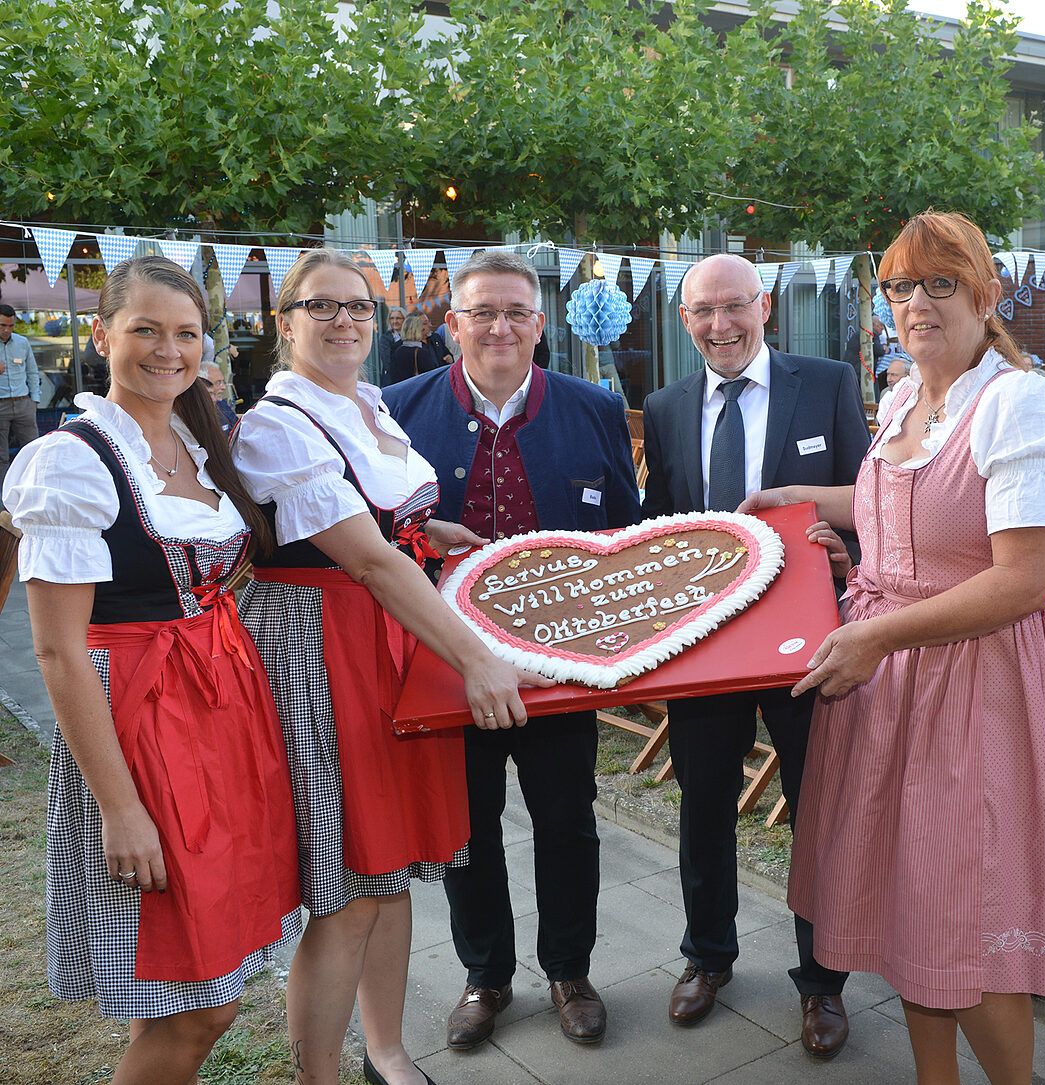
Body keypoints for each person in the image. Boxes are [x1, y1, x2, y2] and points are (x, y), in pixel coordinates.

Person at [747, 211, 1045, 1083]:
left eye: (940, 283)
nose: (916, 303)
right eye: (901, 286)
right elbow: (901, 523)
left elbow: (1025, 578)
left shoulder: (1017, 401)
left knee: (959, 921)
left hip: (968, 682)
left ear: (984, 292)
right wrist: (810, 507)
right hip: (888, 677)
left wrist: (875, 631)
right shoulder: (905, 394)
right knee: (908, 916)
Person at [233, 249, 547, 1085]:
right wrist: (479, 661)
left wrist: (431, 532)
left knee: (396, 870)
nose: (343, 322)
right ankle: (318, 1078)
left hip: (389, 641)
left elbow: (381, 534)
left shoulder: (366, 404)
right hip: (330, 653)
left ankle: (387, 1051)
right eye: (322, 306)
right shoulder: (277, 423)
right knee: (346, 891)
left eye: (359, 308)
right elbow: (365, 561)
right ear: (285, 320)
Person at [5, 256, 301, 1085]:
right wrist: (119, 808)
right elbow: (60, 649)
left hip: (222, 709)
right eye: (144, 329)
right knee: (203, 1005)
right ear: (101, 335)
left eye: (185, 332)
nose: (166, 350)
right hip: (142, 724)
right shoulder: (72, 461)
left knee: (180, 982)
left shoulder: (198, 443)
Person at [384, 249, 640, 1050]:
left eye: (515, 313)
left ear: (540, 325)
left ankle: (569, 968)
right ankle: (484, 975)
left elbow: (626, 541)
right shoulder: (394, 410)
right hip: (446, 662)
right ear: (452, 323)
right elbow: (375, 536)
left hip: (562, 667)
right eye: (481, 312)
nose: (499, 326)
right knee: (467, 826)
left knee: (568, 818)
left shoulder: (594, 408)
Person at [640, 252, 870, 1056]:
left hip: (811, 643)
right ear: (684, 319)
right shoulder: (666, 405)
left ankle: (823, 981)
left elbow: (870, 502)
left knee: (819, 807)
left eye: (734, 306)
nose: (720, 325)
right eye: (703, 311)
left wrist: (849, 552)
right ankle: (708, 957)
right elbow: (659, 524)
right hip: (705, 647)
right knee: (703, 802)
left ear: (764, 306)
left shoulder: (829, 382)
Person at [0, 302, 42, 493]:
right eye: (3, 325)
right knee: (1, 457)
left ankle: (34, 493)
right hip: (1, 406)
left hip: (23, 403)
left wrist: (34, 400)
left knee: (34, 452)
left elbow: (32, 372)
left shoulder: (22, 343)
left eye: (10, 325)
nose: (7, 330)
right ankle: (4, 503)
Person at [386, 315, 443, 386]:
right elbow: (432, 376)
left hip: (403, 390)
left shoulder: (398, 350)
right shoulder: (421, 352)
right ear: (418, 331)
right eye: (422, 329)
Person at [199, 362, 238, 433]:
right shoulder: (193, 411)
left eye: (223, 382)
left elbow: (238, 429)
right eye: (218, 383)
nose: (223, 387)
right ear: (203, 385)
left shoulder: (222, 404)